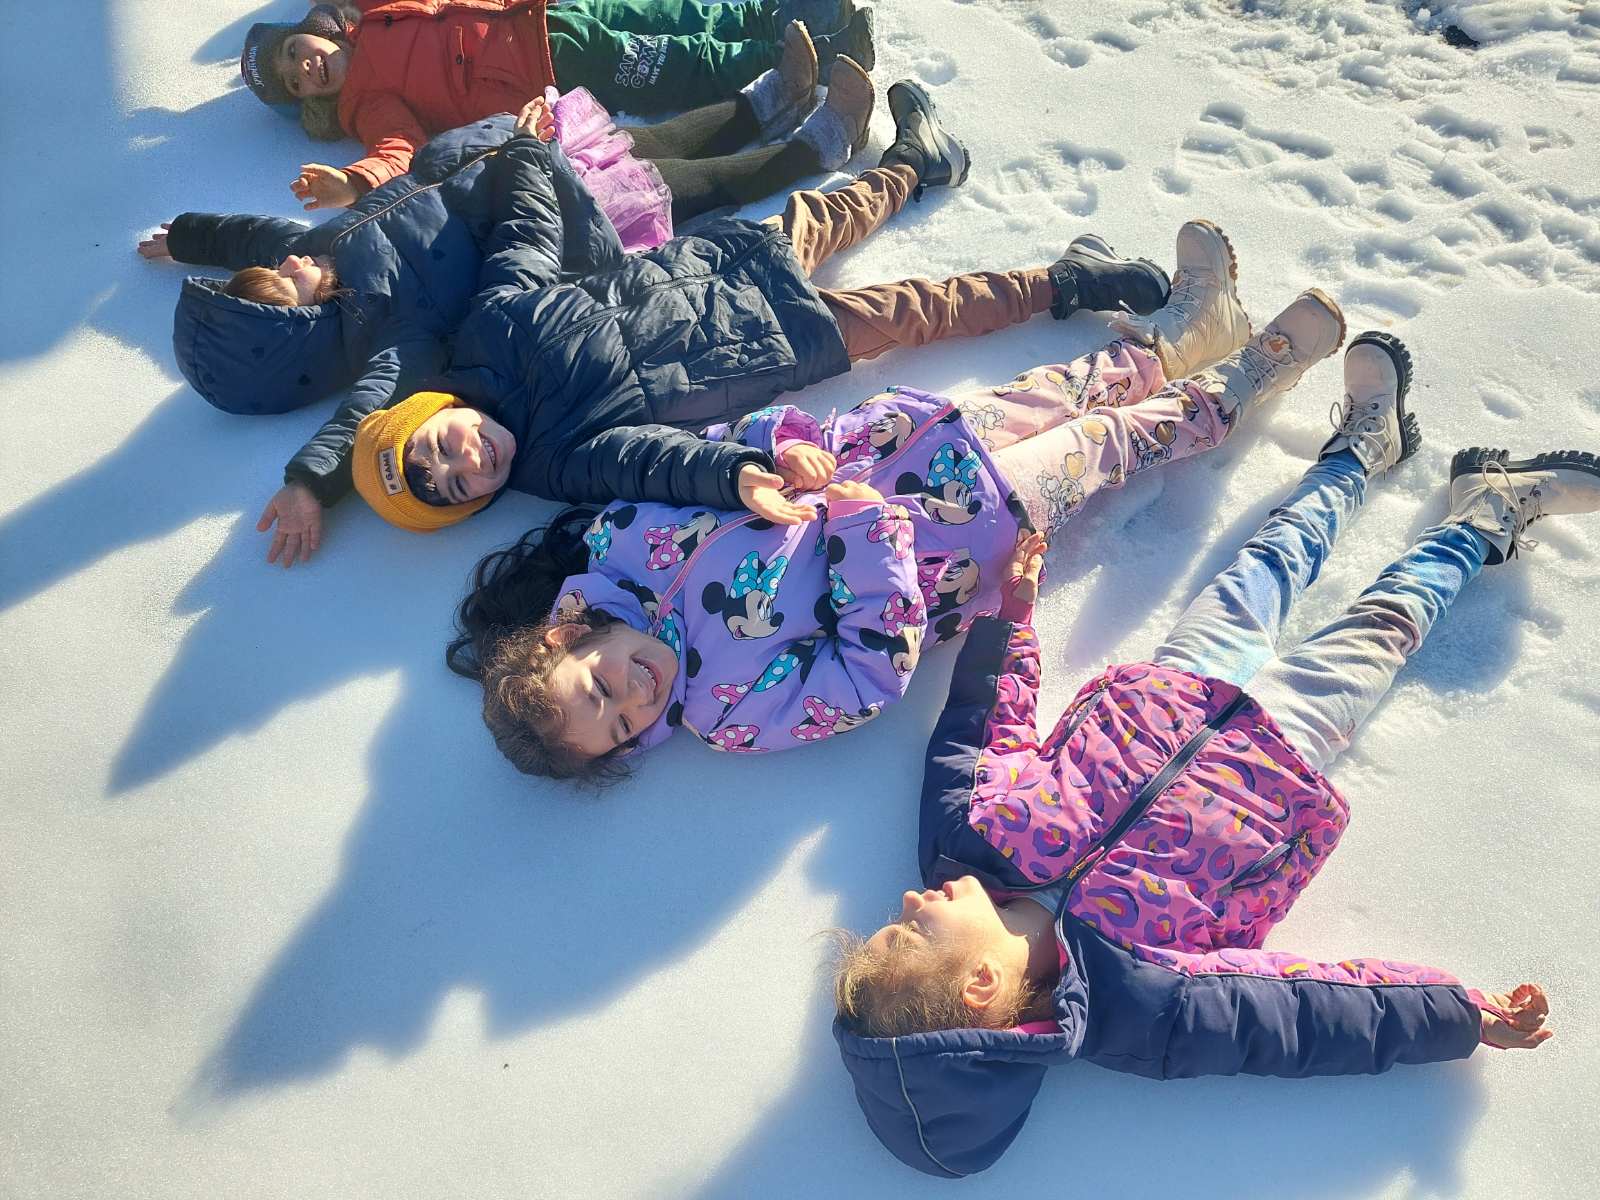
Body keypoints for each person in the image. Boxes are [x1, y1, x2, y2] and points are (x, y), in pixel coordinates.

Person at [829, 333, 1589, 1177]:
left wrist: (1011, 615)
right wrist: (1459, 1014)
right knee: (1388, 622)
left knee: (1273, 557)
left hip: (1178, 687)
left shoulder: (965, 838)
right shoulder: (1145, 1000)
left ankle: (1360, 451)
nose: (911, 897)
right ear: (980, 986)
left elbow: (982, 721)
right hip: (1282, 757)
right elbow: (1303, 1013)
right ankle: (1486, 515)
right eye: (911, 928)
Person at [443, 212, 1353, 778]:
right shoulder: (727, 709)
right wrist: (863, 529)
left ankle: (1189, 330)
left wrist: (783, 447)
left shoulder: (621, 540)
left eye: (597, 687)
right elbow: (868, 676)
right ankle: (1247, 378)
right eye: (617, 728)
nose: (631, 698)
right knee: (1113, 440)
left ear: (565, 637)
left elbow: (707, 452)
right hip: (972, 532)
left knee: (1074, 385)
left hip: (912, 438)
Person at [135, 108, 621, 565]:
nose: (290, 263)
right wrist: (309, 483)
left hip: (486, 152)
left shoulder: (307, 253)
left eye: (275, 269)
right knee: (660, 155)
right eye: (289, 282)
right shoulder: (392, 331)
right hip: (556, 205)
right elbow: (367, 413)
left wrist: (188, 236)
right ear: (304, 329)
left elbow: (249, 237)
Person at [239, 1, 875, 216]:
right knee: (672, 60)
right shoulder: (367, 104)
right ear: (311, 103)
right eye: (296, 84)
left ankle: (777, 12)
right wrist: (354, 182)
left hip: (542, 12)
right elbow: (395, 150)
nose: (305, 69)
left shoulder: (373, 15)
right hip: (546, 70)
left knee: (665, 11)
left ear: (312, 30)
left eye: (296, 52)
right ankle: (815, 54)